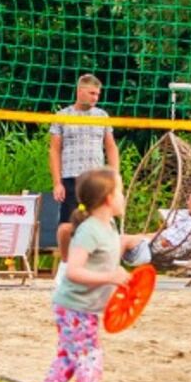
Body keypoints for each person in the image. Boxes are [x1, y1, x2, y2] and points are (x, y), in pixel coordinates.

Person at [18, 167, 146, 382]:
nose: (124, 197)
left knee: (65, 365)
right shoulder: (89, 231)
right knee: (90, 363)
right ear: (108, 198)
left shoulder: (108, 228)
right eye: (120, 192)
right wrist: (110, 277)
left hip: (84, 310)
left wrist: (129, 249)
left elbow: (110, 253)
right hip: (74, 309)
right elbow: (74, 271)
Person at [49, 73, 119, 261]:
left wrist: (115, 177)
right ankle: (65, 264)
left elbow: (111, 147)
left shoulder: (102, 115)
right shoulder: (63, 116)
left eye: (97, 94)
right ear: (80, 91)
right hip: (71, 178)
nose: (95, 98)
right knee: (66, 227)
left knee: (104, 224)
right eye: (92, 93)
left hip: (96, 180)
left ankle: (102, 263)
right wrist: (57, 182)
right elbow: (54, 151)